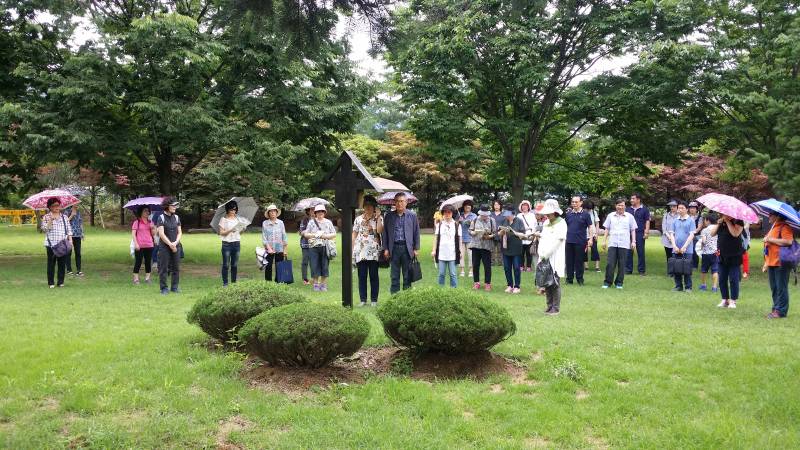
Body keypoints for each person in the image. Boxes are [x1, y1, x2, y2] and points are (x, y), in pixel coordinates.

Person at [382, 192, 421, 294]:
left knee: (407, 275)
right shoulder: (389, 216)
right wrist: (385, 248)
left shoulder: (412, 215)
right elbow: (384, 233)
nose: (399, 204)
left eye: (402, 201)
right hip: (393, 248)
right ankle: (394, 299)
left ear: (406, 202)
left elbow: (416, 232)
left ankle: (406, 299)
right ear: (394, 203)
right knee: (394, 275)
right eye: (397, 201)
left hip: (407, 248)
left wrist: (416, 248)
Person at [536, 199, 567, 315]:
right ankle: (549, 306)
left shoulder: (562, 223)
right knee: (546, 282)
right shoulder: (545, 223)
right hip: (544, 256)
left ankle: (556, 308)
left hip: (555, 256)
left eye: (549, 213)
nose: (547, 215)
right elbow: (544, 238)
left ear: (555, 212)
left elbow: (558, 241)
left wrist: (548, 253)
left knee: (555, 282)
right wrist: (542, 253)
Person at [762, 213, 795, 318]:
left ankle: (781, 311)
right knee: (775, 288)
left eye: (771, 215)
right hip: (772, 262)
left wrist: (770, 239)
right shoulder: (773, 227)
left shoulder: (784, 227)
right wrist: (766, 263)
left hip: (781, 262)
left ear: (777, 216)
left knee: (781, 287)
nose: (769, 216)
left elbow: (788, 241)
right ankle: (776, 308)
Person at [353, 196, 383, 306]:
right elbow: (354, 234)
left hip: (374, 251)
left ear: (374, 207)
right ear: (363, 207)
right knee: (362, 276)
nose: (368, 208)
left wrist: (379, 218)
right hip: (361, 251)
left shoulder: (378, 218)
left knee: (374, 276)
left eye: (371, 206)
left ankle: (374, 300)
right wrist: (352, 248)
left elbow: (380, 231)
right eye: (366, 206)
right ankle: (363, 300)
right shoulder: (358, 219)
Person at [601, 198, 637, 289]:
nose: (620, 207)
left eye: (622, 205)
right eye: (619, 205)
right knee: (610, 263)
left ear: (625, 206)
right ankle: (607, 282)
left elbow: (633, 230)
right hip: (613, 243)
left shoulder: (629, 216)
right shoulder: (610, 216)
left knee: (622, 264)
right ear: (615, 206)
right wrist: (604, 241)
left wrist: (633, 241)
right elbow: (607, 229)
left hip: (624, 243)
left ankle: (619, 283)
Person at [710, 214, 744, 308]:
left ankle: (733, 301)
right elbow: (712, 233)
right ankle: (724, 299)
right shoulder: (721, 221)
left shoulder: (738, 221)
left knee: (733, 279)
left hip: (734, 254)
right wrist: (718, 223)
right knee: (722, 279)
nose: (723, 215)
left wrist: (728, 221)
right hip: (722, 254)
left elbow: (735, 233)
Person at [303, 204, 337, 291]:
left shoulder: (328, 222)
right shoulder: (311, 222)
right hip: (313, 247)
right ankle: (316, 284)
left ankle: (323, 284)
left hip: (325, 246)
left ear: (324, 212)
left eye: (322, 211)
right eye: (318, 212)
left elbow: (334, 234)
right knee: (314, 265)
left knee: (324, 265)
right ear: (315, 213)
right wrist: (314, 235)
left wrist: (324, 236)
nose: (320, 213)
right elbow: (306, 234)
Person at [41, 197, 73, 288]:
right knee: (51, 264)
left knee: (62, 264)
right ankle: (51, 283)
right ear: (50, 207)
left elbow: (69, 229)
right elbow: (44, 230)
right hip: (51, 244)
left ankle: (60, 282)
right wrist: (51, 220)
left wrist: (70, 241)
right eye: (54, 206)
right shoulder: (46, 217)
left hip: (62, 244)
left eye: (58, 205)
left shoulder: (64, 217)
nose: (56, 207)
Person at [564, 196, 595, 285]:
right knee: (569, 261)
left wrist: (591, 239)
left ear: (581, 202)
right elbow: (565, 227)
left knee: (579, 261)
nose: (574, 204)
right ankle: (569, 279)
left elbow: (590, 227)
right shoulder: (569, 214)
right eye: (573, 202)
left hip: (581, 241)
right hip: (569, 241)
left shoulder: (586, 214)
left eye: (576, 202)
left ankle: (580, 279)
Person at [667, 201, 696, 292]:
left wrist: (684, 247)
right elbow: (671, 234)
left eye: (682, 208)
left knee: (686, 268)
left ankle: (688, 287)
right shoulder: (675, 220)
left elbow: (692, 235)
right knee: (676, 268)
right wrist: (674, 246)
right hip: (676, 248)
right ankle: (678, 286)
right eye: (679, 208)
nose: (680, 210)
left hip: (687, 249)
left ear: (687, 209)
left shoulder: (691, 220)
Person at [156, 197, 182, 295]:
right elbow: (161, 234)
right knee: (164, 268)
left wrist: (175, 242)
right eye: (173, 205)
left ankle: (174, 287)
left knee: (176, 268)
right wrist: (170, 244)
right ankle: (164, 288)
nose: (175, 207)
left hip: (176, 245)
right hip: (164, 247)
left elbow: (180, 232)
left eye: (176, 205)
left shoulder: (176, 217)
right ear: (167, 206)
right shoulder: (161, 218)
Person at [498, 205, 526, 294]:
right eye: (506, 215)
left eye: (508, 214)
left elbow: (523, 234)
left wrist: (513, 232)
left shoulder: (519, 221)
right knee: (507, 268)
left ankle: (517, 286)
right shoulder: (504, 220)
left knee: (517, 267)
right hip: (506, 247)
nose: (507, 216)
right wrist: (502, 232)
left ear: (513, 214)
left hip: (516, 248)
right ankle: (509, 285)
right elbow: (498, 233)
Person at [468, 204, 496, 291]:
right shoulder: (475, 219)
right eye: (483, 214)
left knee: (487, 265)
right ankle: (476, 282)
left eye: (486, 215)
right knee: (475, 265)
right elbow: (470, 230)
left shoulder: (492, 220)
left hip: (486, 246)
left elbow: (495, 233)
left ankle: (488, 283)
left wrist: (490, 236)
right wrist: (473, 233)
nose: (484, 216)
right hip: (475, 245)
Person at [433, 204, 461, 288]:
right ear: (443, 214)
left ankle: (454, 290)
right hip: (441, 253)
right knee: (441, 273)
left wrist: (460, 251)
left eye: (449, 212)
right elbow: (436, 238)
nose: (447, 214)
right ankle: (440, 290)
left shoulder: (457, 225)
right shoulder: (439, 225)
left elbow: (460, 240)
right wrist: (434, 250)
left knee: (453, 274)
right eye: (445, 212)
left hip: (453, 253)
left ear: (452, 213)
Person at [625, 193, 651, 275]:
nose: (631, 200)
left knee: (641, 252)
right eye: (631, 199)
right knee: (629, 252)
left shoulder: (645, 209)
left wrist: (646, 232)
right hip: (629, 233)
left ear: (638, 199)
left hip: (640, 233)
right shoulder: (628, 209)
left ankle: (641, 271)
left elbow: (647, 221)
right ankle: (628, 270)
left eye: (633, 198)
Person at [218, 200, 242, 287]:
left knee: (234, 265)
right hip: (226, 244)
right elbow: (221, 233)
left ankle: (234, 283)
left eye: (235, 209)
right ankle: (225, 283)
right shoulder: (223, 219)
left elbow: (239, 233)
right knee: (226, 265)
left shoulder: (238, 219)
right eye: (231, 210)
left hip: (236, 243)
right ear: (228, 210)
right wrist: (230, 230)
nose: (233, 211)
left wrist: (242, 229)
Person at [262, 204, 288, 282]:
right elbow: (264, 237)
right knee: (268, 266)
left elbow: (284, 236)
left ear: (276, 213)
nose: (273, 213)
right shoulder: (265, 223)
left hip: (279, 248)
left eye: (274, 211)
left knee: (279, 266)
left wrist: (285, 249)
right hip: (269, 249)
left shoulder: (280, 223)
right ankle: (268, 283)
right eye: (271, 211)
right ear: (268, 213)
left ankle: (278, 283)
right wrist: (269, 248)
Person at [131, 206, 156, 285]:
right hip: (139, 246)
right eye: (145, 211)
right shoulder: (136, 222)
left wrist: (153, 228)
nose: (147, 212)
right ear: (141, 212)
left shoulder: (150, 222)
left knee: (148, 262)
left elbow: (153, 234)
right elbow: (133, 235)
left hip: (149, 245)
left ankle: (147, 278)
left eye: (148, 211)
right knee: (138, 262)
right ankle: (136, 279)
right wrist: (136, 244)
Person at [698, 213, 720, 294]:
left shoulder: (705, 230)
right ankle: (714, 287)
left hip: (706, 253)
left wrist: (701, 247)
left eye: (705, 220)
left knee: (704, 270)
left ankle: (703, 285)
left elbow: (703, 241)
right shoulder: (718, 229)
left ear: (708, 220)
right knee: (715, 270)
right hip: (716, 252)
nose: (704, 222)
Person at [64, 205, 84, 276]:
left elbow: (80, 222)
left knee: (78, 253)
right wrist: (72, 215)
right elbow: (65, 222)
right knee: (68, 253)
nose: (77, 204)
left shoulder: (78, 212)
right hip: (69, 235)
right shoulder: (67, 211)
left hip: (78, 235)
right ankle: (69, 270)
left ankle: (79, 270)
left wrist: (82, 232)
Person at [517, 200, 537, 273]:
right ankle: (521, 266)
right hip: (521, 236)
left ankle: (528, 266)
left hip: (530, 235)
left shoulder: (532, 215)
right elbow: (517, 226)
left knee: (529, 253)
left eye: (526, 205)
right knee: (521, 253)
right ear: (521, 207)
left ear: (528, 207)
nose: (524, 207)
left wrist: (533, 235)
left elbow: (534, 226)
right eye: (523, 205)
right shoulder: (519, 215)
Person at [458, 200, 476, 277]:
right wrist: (458, 221)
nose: (467, 207)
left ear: (471, 207)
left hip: (470, 238)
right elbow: (455, 225)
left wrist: (470, 223)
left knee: (471, 255)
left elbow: (476, 225)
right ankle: (462, 271)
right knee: (461, 255)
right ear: (464, 207)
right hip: (461, 238)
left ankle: (471, 271)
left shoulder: (474, 215)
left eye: (469, 205)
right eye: (466, 205)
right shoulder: (460, 215)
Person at [583, 200, 601, 273]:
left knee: (595, 250)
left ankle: (597, 267)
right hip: (584, 234)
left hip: (593, 234)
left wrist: (597, 234)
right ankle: (586, 267)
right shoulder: (582, 213)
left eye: (590, 208)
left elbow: (597, 224)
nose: (589, 210)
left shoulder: (594, 212)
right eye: (587, 208)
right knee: (584, 251)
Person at [298, 207, 314, 285]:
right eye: (311, 209)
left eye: (314, 209)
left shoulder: (318, 220)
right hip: (305, 244)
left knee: (314, 262)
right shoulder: (305, 220)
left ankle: (314, 278)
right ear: (308, 211)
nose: (313, 211)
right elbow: (300, 232)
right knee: (305, 261)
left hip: (315, 244)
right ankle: (305, 279)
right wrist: (308, 232)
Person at [661, 200, 679, 266]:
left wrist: (673, 237)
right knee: (668, 256)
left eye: (674, 206)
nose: (672, 207)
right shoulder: (666, 215)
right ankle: (670, 271)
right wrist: (668, 236)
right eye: (671, 206)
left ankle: (676, 270)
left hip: (676, 238)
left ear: (677, 207)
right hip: (667, 239)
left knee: (676, 255)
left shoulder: (679, 215)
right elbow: (664, 227)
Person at [688, 201, 703, 269]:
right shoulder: (687, 217)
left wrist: (693, 233)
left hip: (696, 236)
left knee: (694, 250)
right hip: (687, 235)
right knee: (687, 250)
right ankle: (687, 263)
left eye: (693, 208)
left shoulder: (700, 217)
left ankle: (694, 265)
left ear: (696, 209)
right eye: (690, 208)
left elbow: (699, 227)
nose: (692, 209)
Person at [490, 199, 504, 266]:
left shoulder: (503, 214)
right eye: (495, 205)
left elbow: (505, 224)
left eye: (498, 205)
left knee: (500, 249)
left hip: (500, 234)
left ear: (500, 206)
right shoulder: (490, 214)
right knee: (491, 249)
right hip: (492, 234)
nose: (496, 206)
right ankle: (492, 263)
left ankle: (500, 263)